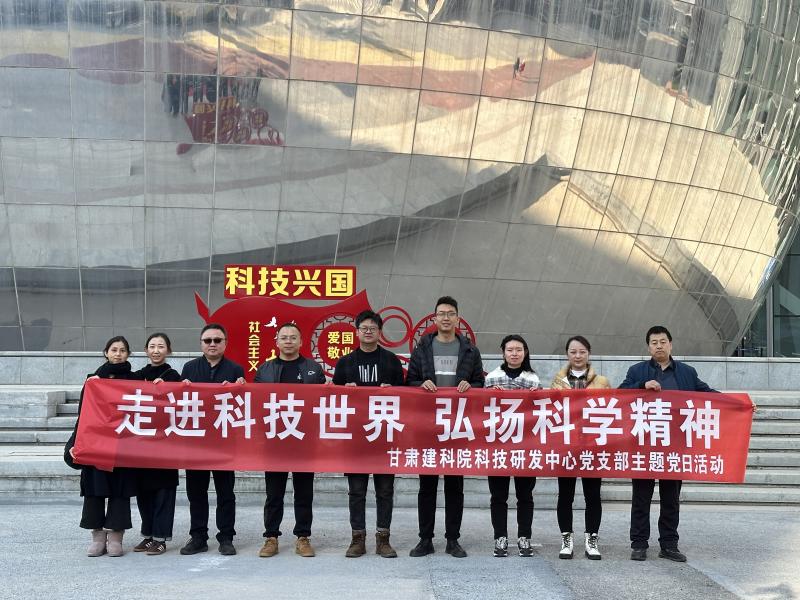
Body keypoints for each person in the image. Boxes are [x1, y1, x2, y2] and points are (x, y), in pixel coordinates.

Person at [620, 325, 716, 563]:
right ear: (648, 347)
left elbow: (708, 394)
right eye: (654, 343)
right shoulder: (637, 371)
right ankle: (639, 544)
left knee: (671, 498)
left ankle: (669, 544)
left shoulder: (687, 373)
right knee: (641, 497)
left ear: (671, 345)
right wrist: (642, 386)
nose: (659, 346)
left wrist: (740, 403)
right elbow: (620, 394)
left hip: (675, 446)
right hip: (645, 444)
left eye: (663, 342)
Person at [406, 295, 484, 558]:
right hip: (428, 426)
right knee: (426, 487)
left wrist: (471, 386)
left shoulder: (470, 351)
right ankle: (425, 539)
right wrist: (421, 384)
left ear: (458, 318)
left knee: (454, 487)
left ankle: (453, 540)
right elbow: (409, 381)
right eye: (442, 313)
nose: (446, 318)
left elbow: (480, 384)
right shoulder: (422, 348)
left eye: (451, 313)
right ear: (435, 318)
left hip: (458, 426)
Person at [332, 310, 405, 559]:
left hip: (384, 435)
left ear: (380, 332)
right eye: (364, 328)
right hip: (355, 438)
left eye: (373, 328)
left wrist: (392, 390)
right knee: (356, 491)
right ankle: (357, 539)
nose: (368, 332)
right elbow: (334, 399)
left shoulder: (391, 361)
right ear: (356, 332)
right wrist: (345, 390)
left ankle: (383, 539)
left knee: (385, 491)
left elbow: (405, 397)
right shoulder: (345, 362)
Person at [254, 323, 325, 558]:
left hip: (304, 440)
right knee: (274, 493)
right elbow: (256, 403)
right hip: (275, 441)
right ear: (276, 341)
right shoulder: (264, 370)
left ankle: (303, 537)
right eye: (283, 337)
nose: (288, 341)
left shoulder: (313, 369)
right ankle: (271, 537)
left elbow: (323, 401)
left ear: (301, 342)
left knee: (304, 492)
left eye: (293, 337)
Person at [65, 336, 141, 557]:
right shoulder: (93, 380)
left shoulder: (136, 380)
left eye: (122, 350)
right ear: (106, 352)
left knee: (120, 490)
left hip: (123, 444)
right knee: (95, 489)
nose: (118, 354)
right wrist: (75, 442)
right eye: (114, 349)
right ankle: (97, 537)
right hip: (96, 444)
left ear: (128, 354)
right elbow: (83, 415)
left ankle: (116, 536)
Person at [179, 323, 245, 556]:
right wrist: (182, 389)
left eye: (217, 340)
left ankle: (226, 537)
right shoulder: (189, 368)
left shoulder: (236, 369)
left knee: (225, 492)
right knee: (196, 492)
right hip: (196, 441)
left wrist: (241, 388)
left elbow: (242, 405)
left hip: (224, 442)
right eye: (208, 341)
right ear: (201, 344)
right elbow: (180, 403)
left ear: (225, 343)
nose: (213, 344)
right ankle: (198, 537)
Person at [550, 335, 611, 560]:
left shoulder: (601, 381)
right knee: (565, 495)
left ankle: (591, 539)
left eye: (582, 352)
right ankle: (566, 539)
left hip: (592, 446)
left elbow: (612, 409)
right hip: (566, 445)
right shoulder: (557, 381)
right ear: (567, 354)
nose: (578, 356)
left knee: (592, 495)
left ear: (589, 353)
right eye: (573, 352)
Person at [484, 334, 539, 558]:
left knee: (525, 495)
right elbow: (481, 411)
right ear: (503, 353)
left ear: (525, 353)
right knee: (498, 495)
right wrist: (489, 396)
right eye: (510, 350)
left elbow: (540, 414)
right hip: (498, 445)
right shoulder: (492, 378)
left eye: (519, 349)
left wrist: (537, 398)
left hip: (525, 446)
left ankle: (524, 537)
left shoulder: (533, 379)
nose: (514, 354)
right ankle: (500, 537)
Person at [132, 333, 182, 556]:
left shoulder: (174, 376)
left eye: (161, 346)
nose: (156, 350)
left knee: (163, 491)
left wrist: (169, 387)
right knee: (143, 491)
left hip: (165, 444)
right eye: (152, 346)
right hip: (141, 443)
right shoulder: (137, 376)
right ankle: (148, 534)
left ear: (168, 351)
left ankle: (161, 538)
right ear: (146, 350)